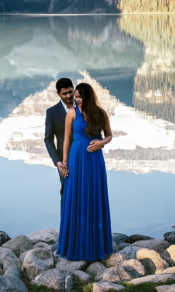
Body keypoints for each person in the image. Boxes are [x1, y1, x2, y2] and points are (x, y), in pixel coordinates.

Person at [57, 82, 113, 261]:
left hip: (95, 159)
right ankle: (74, 244)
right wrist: (64, 163)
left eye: (80, 97)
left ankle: (96, 246)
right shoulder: (72, 113)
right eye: (76, 97)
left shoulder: (101, 113)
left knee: (94, 196)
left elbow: (109, 135)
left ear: (88, 96)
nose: (77, 100)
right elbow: (66, 139)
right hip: (76, 157)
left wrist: (100, 143)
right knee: (75, 196)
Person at [44, 77, 74, 206]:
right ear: (58, 94)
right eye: (64, 93)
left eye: (70, 92)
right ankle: (66, 225)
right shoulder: (52, 112)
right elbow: (48, 139)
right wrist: (58, 162)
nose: (68, 96)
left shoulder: (83, 107)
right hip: (64, 161)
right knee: (66, 192)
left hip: (85, 157)